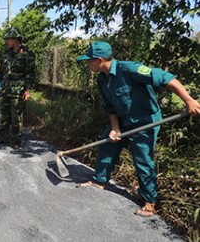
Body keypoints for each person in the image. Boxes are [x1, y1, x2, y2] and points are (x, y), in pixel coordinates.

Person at [76, 41, 200, 217]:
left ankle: (149, 201)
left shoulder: (130, 69)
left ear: (100, 59)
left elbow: (166, 78)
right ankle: (99, 181)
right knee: (107, 144)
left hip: (145, 121)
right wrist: (115, 129)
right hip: (124, 120)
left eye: (90, 60)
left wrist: (188, 100)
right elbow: (110, 107)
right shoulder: (102, 79)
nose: (88, 63)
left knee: (143, 158)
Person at [0, 27, 36, 148]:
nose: (6, 41)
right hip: (5, 90)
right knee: (2, 115)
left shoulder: (27, 54)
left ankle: (16, 140)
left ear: (16, 39)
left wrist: (28, 90)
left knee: (16, 117)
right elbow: (2, 67)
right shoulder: (7, 53)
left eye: (8, 39)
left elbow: (30, 74)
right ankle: (3, 137)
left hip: (18, 91)